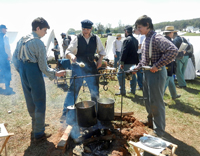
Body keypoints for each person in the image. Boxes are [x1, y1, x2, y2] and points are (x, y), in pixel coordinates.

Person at [12, 17, 66, 142]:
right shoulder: (38, 42)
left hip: (23, 70)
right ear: (38, 28)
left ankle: (36, 125)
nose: (46, 33)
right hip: (33, 72)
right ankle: (39, 133)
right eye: (45, 30)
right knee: (40, 101)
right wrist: (56, 74)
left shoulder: (22, 39)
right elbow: (43, 66)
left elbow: (15, 59)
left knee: (30, 100)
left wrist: (20, 71)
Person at [133, 15, 178, 141]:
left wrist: (157, 65)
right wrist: (137, 68)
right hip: (147, 73)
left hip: (156, 74)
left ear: (147, 25)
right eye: (138, 27)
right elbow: (144, 60)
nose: (138, 30)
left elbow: (173, 51)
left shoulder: (157, 37)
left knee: (156, 102)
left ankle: (159, 131)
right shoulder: (146, 38)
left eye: (140, 27)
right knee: (147, 99)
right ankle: (151, 122)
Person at [61, 19, 105, 121]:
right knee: (73, 90)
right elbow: (68, 51)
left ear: (91, 29)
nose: (85, 31)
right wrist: (71, 56)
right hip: (78, 67)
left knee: (95, 90)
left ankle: (96, 112)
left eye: (87, 29)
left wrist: (100, 60)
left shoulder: (96, 38)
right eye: (84, 29)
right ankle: (66, 113)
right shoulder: (76, 38)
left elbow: (102, 51)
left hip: (91, 66)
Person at [115, 25, 139, 95]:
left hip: (126, 62)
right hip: (133, 62)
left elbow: (124, 52)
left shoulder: (126, 40)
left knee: (120, 76)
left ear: (126, 31)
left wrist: (121, 62)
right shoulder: (135, 40)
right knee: (132, 76)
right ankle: (133, 91)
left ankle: (122, 91)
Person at [163, 26, 181, 100]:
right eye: (173, 32)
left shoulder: (164, 40)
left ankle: (174, 95)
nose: (173, 34)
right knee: (166, 82)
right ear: (170, 33)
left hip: (167, 62)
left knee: (170, 80)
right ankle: (159, 98)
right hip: (168, 63)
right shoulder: (169, 41)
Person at [0, 24, 13, 94]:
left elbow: (8, 48)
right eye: (5, 29)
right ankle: (7, 85)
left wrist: (9, 55)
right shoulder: (1, 37)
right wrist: (6, 56)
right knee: (4, 71)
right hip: (3, 58)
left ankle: (7, 85)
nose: (6, 30)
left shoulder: (6, 37)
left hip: (5, 57)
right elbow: (3, 48)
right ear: (2, 29)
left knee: (6, 71)